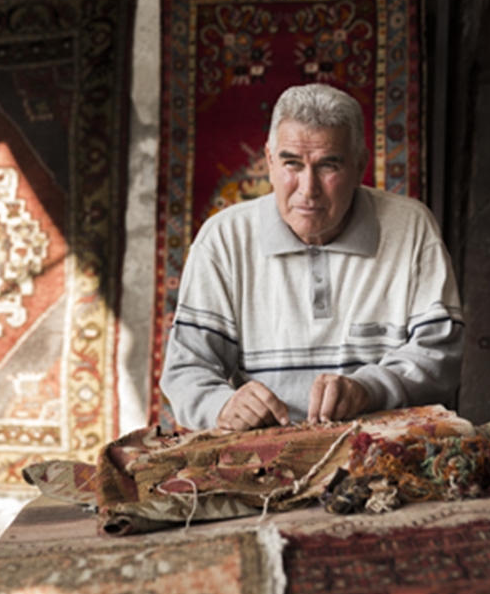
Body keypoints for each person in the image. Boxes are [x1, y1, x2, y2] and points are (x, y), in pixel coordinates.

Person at [160, 84, 465, 432]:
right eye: (292, 163)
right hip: (265, 455)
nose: (308, 189)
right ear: (270, 162)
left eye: (327, 165)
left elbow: (442, 353)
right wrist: (222, 406)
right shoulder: (224, 239)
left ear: (359, 165)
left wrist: (369, 389)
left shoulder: (410, 227)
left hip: (383, 449)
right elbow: (187, 368)